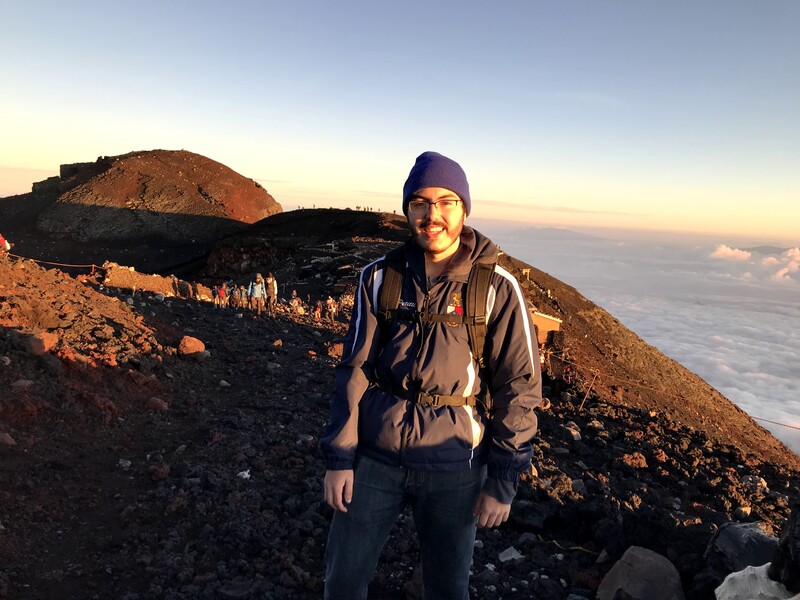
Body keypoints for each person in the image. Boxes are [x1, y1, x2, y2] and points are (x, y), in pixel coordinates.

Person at [321, 151, 542, 599]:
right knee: (343, 581)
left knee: (447, 587)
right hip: (376, 458)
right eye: (420, 202)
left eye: (445, 201)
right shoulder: (380, 278)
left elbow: (519, 387)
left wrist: (503, 481)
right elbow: (355, 370)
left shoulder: (496, 288)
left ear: (464, 208)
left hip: (456, 465)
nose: (432, 214)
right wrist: (339, 459)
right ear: (408, 210)